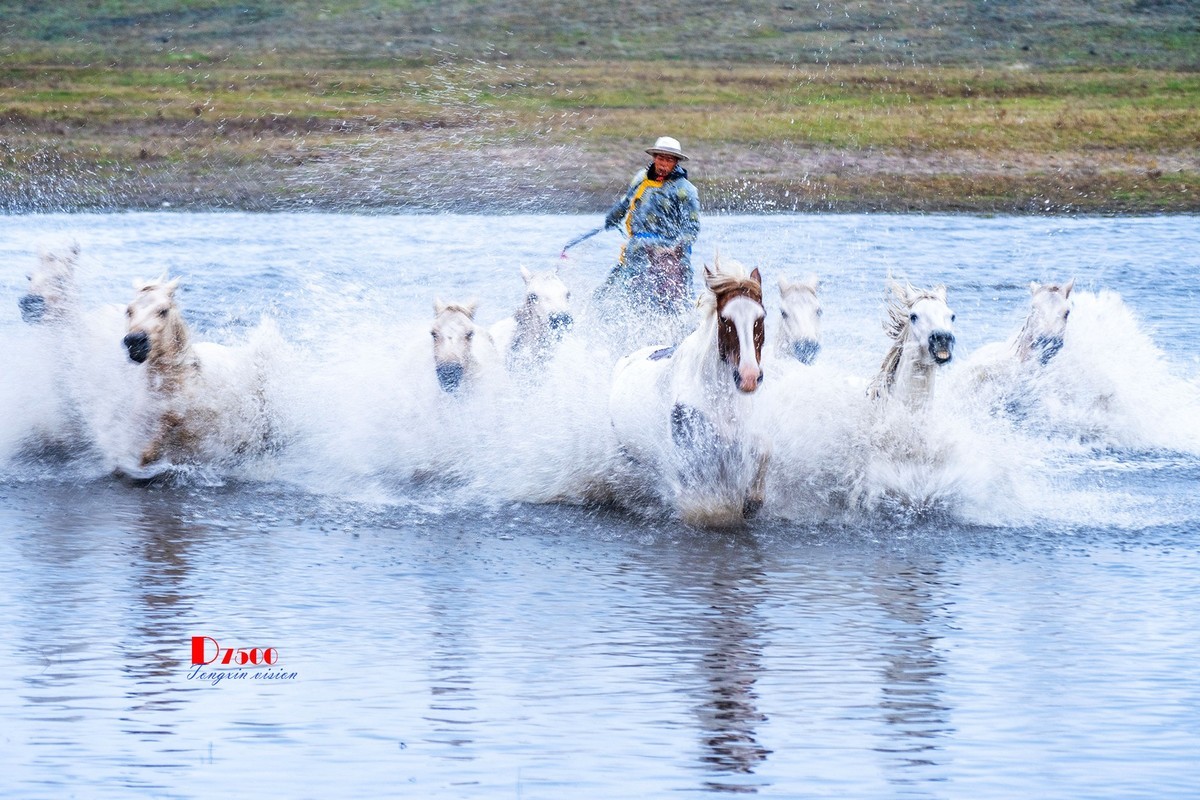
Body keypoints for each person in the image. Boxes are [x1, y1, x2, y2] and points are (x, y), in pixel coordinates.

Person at [595, 136, 701, 317]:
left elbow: (691, 229)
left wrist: (672, 248)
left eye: (668, 160)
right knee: (605, 293)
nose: (663, 164)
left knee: (679, 299)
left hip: (669, 254)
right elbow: (626, 202)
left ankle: (685, 321)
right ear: (654, 158)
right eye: (660, 158)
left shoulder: (686, 190)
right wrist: (612, 218)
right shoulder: (640, 178)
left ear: (676, 162)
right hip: (635, 251)